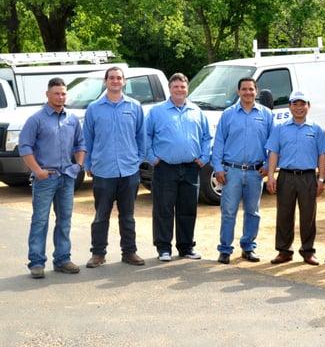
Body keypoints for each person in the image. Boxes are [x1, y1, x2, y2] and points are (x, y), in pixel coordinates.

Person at [19, 77, 86, 279]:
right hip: (45, 178)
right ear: (47, 94)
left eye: (63, 93)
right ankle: (37, 262)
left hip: (67, 177)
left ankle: (63, 259)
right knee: (40, 220)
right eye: (56, 93)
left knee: (65, 220)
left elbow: (80, 144)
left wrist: (79, 165)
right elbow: (25, 147)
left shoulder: (72, 119)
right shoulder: (36, 119)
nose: (60, 96)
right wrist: (37, 170)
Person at [146, 73, 211, 262]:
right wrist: (151, 157)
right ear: (169, 88)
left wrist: (204, 157)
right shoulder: (157, 112)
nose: (179, 90)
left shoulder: (197, 111)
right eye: (176, 87)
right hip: (165, 167)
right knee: (163, 209)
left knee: (188, 209)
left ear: (187, 89)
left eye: (182, 87)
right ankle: (163, 248)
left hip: (191, 168)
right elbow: (146, 136)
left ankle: (186, 247)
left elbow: (207, 137)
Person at [84, 66, 146, 268]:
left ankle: (129, 252)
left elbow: (141, 136)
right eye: (111, 78)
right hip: (103, 170)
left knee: (127, 216)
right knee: (101, 215)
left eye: (119, 78)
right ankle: (98, 254)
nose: (115, 81)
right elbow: (87, 139)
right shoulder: (94, 108)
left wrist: (137, 160)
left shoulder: (134, 106)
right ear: (105, 81)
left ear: (124, 82)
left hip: (129, 170)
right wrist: (88, 163)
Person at [212, 78, 274, 264]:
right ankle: (225, 250)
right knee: (229, 211)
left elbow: (273, 144)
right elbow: (219, 143)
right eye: (244, 89)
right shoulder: (228, 115)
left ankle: (248, 247)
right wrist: (217, 168)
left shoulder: (266, 115)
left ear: (257, 91)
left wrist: (268, 166)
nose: (248, 92)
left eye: (251, 89)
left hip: (256, 172)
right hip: (232, 171)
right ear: (238, 92)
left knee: (252, 212)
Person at [266, 91, 325, 265]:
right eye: (295, 104)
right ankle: (284, 251)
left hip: (308, 177)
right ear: (289, 106)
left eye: (302, 104)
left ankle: (308, 251)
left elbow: (322, 155)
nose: (299, 108)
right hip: (286, 176)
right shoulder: (280, 128)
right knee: (284, 215)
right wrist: (271, 176)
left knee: (308, 215)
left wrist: (322, 179)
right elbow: (273, 153)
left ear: (308, 106)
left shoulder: (316, 129)